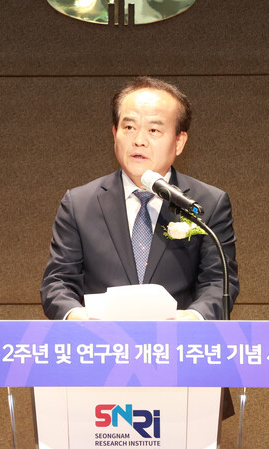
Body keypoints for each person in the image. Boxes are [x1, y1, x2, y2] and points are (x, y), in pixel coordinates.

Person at [41, 76, 239, 321]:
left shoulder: (207, 203)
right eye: (129, 128)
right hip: (100, 338)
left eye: (154, 130)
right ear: (115, 134)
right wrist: (74, 315)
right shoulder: (79, 204)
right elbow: (57, 282)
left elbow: (219, 282)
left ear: (179, 142)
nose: (138, 140)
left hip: (176, 340)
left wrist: (195, 317)